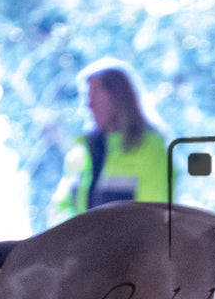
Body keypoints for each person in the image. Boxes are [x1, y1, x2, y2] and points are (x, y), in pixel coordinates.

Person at [51, 60, 168, 222]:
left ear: (117, 97)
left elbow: (154, 219)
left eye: (94, 96)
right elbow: (62, 208)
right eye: (86, 97)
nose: (88, 105)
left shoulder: (151, 150)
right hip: (78, 246)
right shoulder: (80, 152)